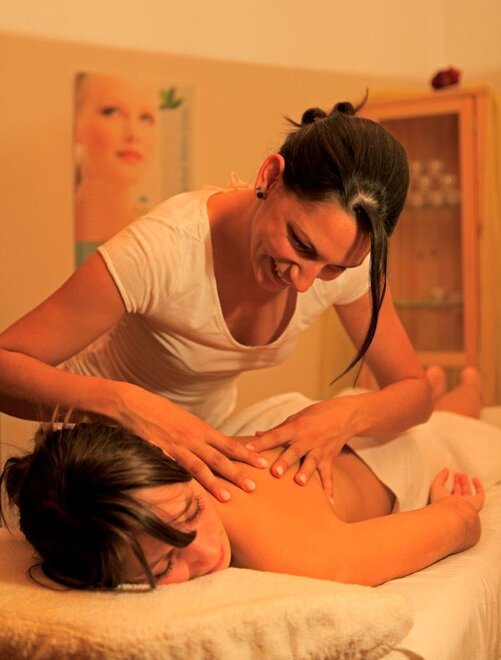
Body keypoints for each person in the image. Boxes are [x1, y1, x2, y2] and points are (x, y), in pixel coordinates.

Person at [0, 97, 433, 504]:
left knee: (395, 453)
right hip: (95, 450)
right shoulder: (163, 249)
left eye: (334, 268)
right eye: (300, 244)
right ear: (270, 177)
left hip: (205, 439)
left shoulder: (346, 254)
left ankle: (464, 393)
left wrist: (344, 416)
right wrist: (127, 407)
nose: (306, 283)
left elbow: (415, 392)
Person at [1, 366, 499, 590]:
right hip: (301, 428)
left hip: (383, 454)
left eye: (193, 509)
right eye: (165, 565)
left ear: (171, 459)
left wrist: (448, 507)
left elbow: (462, 523)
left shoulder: (291, 552)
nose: (204, 553)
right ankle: (445, 387)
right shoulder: (135, 495)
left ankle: (468, 386)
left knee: (453, 426)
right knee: (441, 415)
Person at [74, 73, 160, 265]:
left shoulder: (156, 238)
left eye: (146, 118)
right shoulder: (49, 223)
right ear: (77, 125)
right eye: (112, 112)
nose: (134, 134)